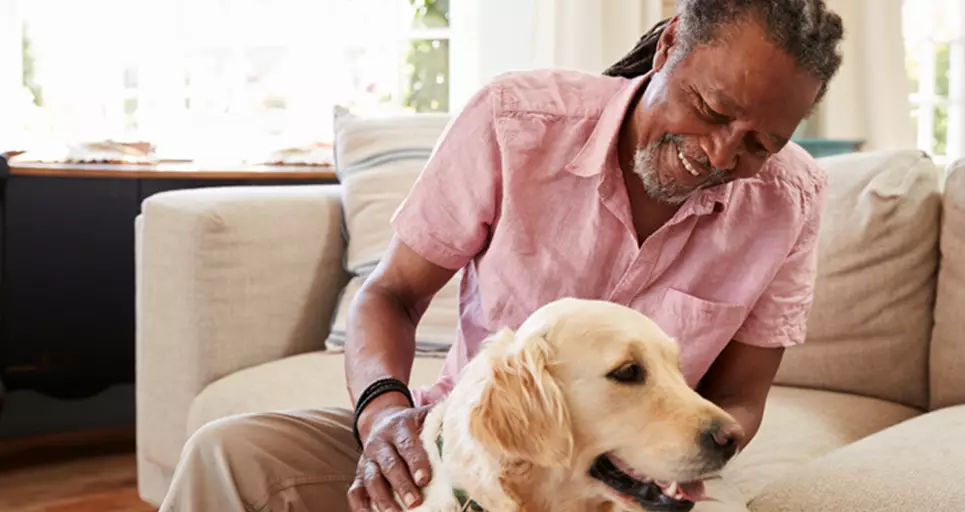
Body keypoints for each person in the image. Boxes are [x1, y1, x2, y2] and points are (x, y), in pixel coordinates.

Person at [159, 1, 844, 511]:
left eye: (761, 143)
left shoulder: (790, 201)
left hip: (634, 475)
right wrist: (383, 415)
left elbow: (740, 399)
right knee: (231, 454)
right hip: (467, 439)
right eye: (713, 109)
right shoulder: (515, 123)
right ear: (669, 48)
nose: (723, 153)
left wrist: (662, 473)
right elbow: (389, 295)